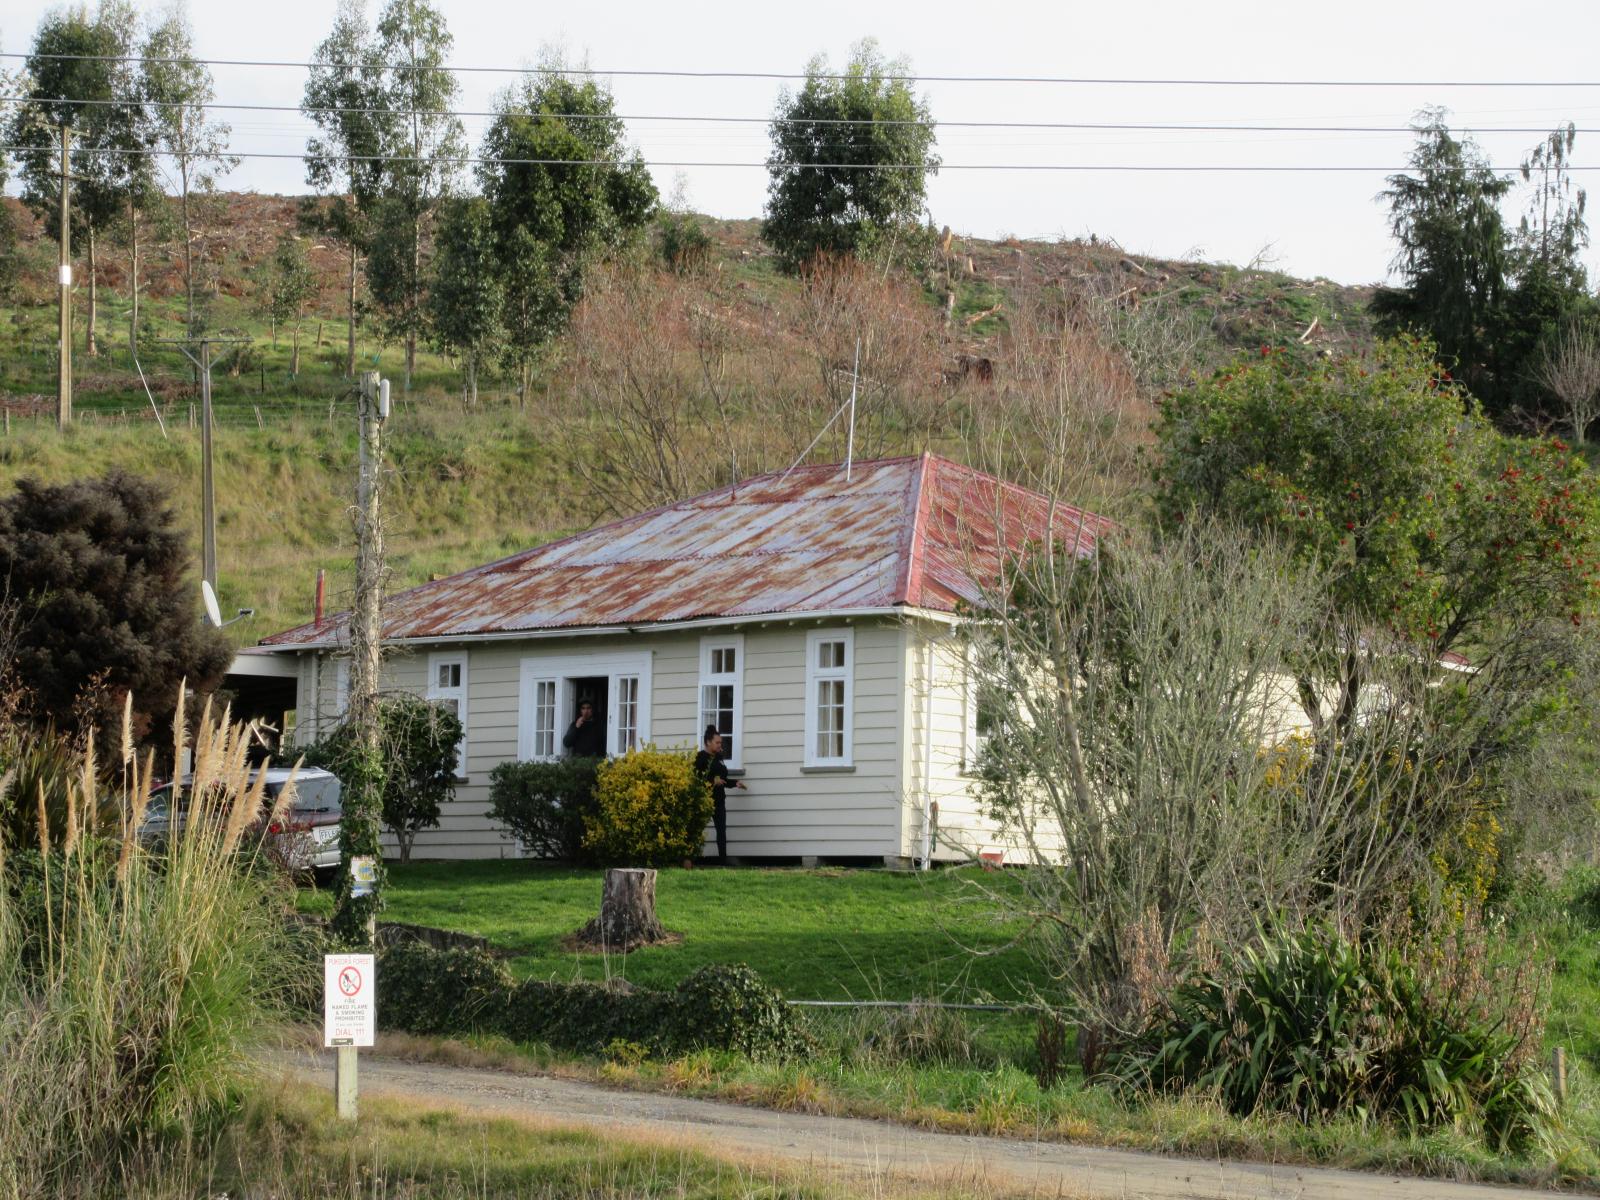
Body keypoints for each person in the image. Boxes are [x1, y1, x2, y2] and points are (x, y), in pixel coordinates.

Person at [693, 724, 745, 863]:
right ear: (708, 742)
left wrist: (734, 783)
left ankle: (723, 860)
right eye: (717, 742)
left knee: (721, 830)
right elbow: (696, 778)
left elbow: (723, 780)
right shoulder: (700, 758)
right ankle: (689, 858)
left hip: (719, 800)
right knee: (697, 829)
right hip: (704, 799)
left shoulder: (719, 758)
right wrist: (711, 781)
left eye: (720, 742)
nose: (719, 745)